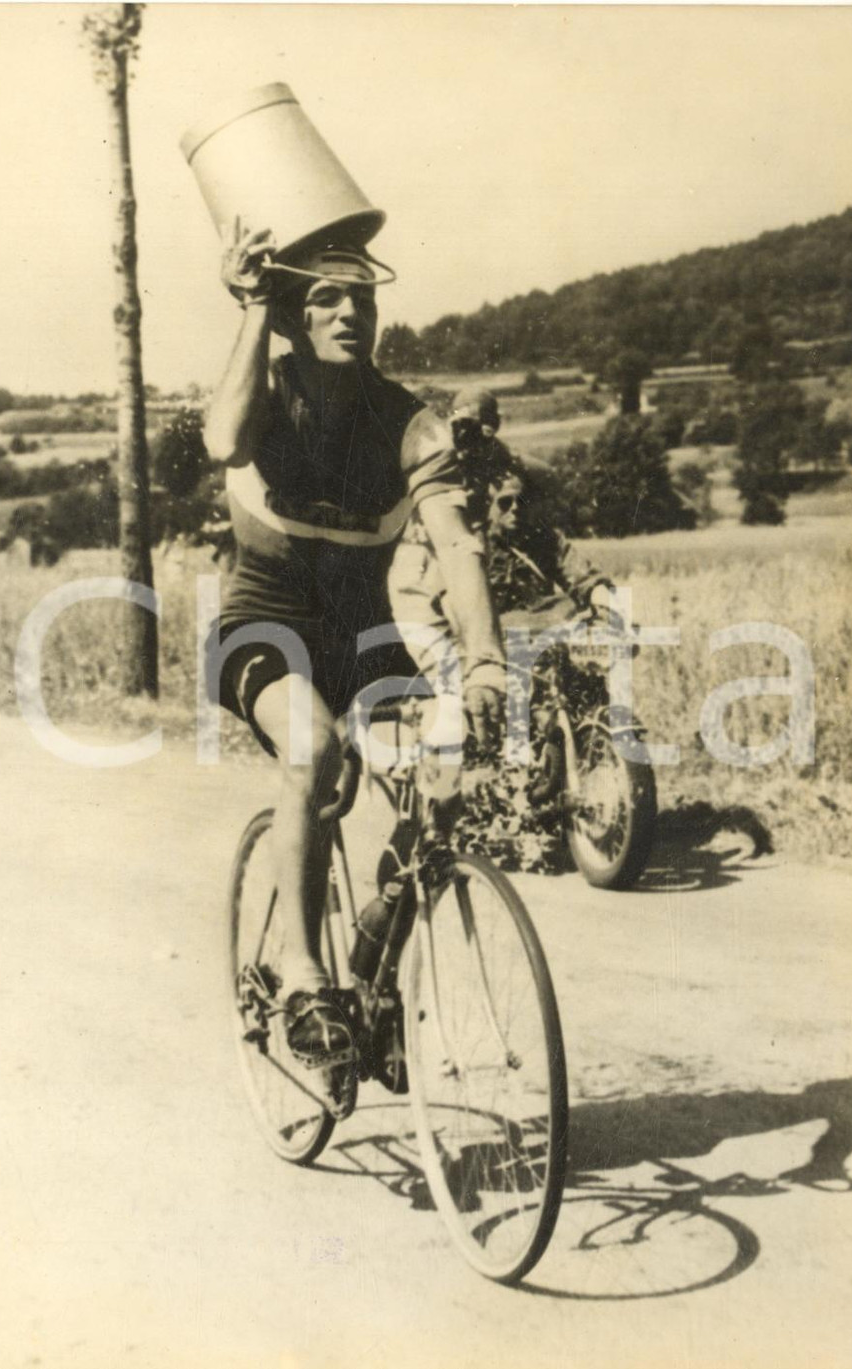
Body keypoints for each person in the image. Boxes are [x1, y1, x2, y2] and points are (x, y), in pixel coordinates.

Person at [203, 222, 507, 1065]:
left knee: (447, 783)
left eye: (362, 300)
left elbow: (456, 547)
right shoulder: (262, 395)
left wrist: (484, 664)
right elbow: (224, 442)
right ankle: (302, 980)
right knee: (314, 749)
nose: (348, 314)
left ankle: (372, 963)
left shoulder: (407, 423)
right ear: (296, 316)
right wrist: (257, 308)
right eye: (325, 299)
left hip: (362, 636)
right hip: (263, 627)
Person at [388, 385, 614, 680]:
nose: (513, 509)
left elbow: (578, 571)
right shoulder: (445, 535)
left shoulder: (525, 524)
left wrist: (606, 604)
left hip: (542, 635)